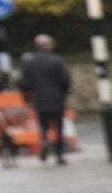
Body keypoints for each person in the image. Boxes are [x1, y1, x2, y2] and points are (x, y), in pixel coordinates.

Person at [18, 34, 74, 164]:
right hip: (56, 99)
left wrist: (27, 98)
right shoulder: (56, 60)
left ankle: (44, 140)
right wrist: (64, 93)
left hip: (39, 99)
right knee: (59, 127)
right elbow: (65, 80)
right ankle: (59, 154)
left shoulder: (30, 63)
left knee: (43, 124)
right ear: (49, 45)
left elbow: (24, 83)